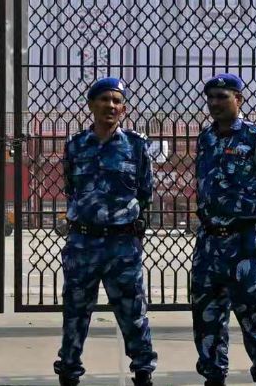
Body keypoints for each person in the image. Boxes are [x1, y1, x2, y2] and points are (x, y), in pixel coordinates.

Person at [54, 78, 157, 386]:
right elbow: (71, 188)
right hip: (83, 242)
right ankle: (69, 369)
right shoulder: (75, 146)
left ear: (123, 108)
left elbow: (145, 192)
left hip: (122, 243)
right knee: (75, 311)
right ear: (91, 105)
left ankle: (143, 370)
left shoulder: (136, 146)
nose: (110, 106)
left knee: (133, 312)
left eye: (116, 101)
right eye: (103, 100)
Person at [191, 74, 256, 386]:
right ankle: (213, 376)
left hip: (245, 242)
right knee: (206, 318)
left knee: (255, 318)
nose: (215, 103)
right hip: (209, 242)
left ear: (239, 99)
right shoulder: (205, 139)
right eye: (211, 97)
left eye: (222, 96)